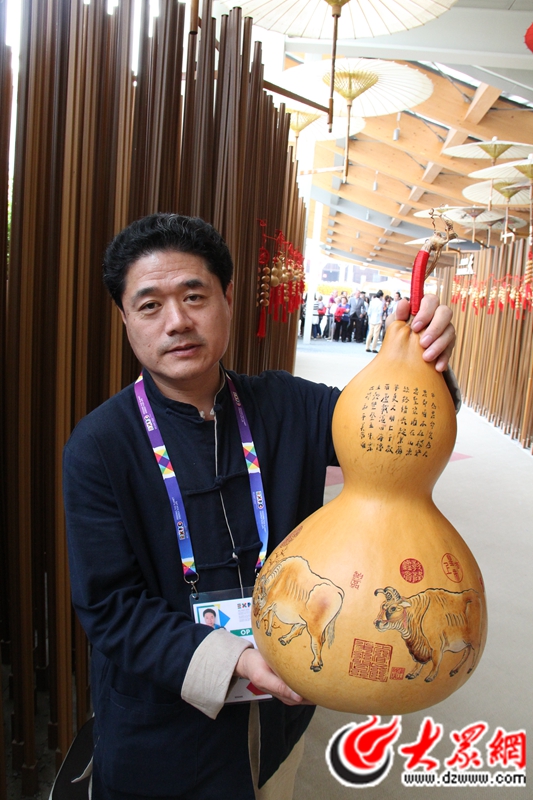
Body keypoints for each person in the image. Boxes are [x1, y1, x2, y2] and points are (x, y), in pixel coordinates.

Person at [63, 213, 455, 800]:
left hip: (279, 722)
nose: (177, 321)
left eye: (194, 296)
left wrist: (426, 362)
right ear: (124, 318)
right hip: (160, 730)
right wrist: (239, 660)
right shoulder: (99, 446)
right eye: (149, 306)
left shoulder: (290, 405)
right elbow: (111, 608)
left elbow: (395, 427)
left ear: (227, 297)